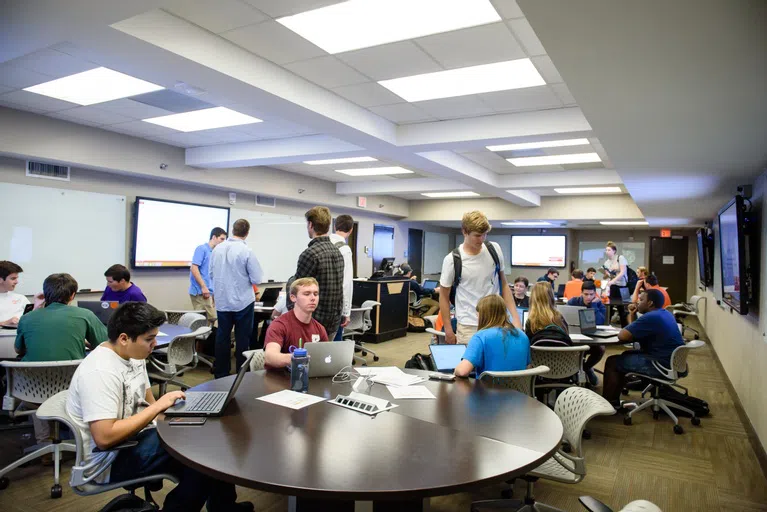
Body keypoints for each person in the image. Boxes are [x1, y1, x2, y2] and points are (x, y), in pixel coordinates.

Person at [66, 302, 252, 511]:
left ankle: (224, 506)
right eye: (149, 339)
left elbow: (149, 404)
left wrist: (176, 416)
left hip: (139, 434)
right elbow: (104, 438)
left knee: (211, 438)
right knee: (203, 457)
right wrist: (159, 409)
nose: (154, 344)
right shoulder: (100, 372)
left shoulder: (133, 355)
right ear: (124, 338)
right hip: (110, 460)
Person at [15, 273, 108, 449]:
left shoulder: (27, 318)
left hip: (30, 391)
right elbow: (104, 345)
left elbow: (19, 349)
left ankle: (44, 445)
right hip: (70, 389)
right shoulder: (84, 315)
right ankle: (84, 441)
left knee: (38, 380)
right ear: (72, 295)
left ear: (45, 293)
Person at [439, 211, 520, 345]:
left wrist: (516, 319)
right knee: (470, 365)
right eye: (477, 235)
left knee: (496, 365)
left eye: (485, 234)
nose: (481, 239)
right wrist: (448, 329)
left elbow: (504, 285)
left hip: (497, 322)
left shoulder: (494, 249)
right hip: (468, 325)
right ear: (464, 232)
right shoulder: (452, 260)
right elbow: (443, 296)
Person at [602, 289, 684, 406]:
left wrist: (631, 317)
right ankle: (614, 400)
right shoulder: (665, 313)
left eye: (641, 300)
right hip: (672, 362)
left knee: (612, 362)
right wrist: (632, 314)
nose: (637, 303)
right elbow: (633, 331)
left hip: (660, 364)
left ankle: (608, 404)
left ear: (650, 303)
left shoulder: (651, 317)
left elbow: (623, 336)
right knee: (625, 355)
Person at [210, 219, 264, 378]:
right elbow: (257, 279)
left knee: (222, 338)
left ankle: (221, 374)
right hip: (243, 302)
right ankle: (242, 374)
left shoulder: (217, 249)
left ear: (232, 230)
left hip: (222, 301)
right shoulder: (247, 251)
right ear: (247, 233)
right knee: (242, 340)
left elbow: (211, 274)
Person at [289, 206, 344, 339]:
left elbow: (299, 289)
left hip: (313, 321)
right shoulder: (338, 252)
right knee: (324, 358)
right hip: (333, 321)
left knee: (307, 358)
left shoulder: (310, 254)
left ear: (310, 225)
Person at [454, 295, 530, 378]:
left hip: (488, 390)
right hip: (518, 390)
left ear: (483, 316)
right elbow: (528, 367)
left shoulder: (481, 337)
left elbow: (462, 371)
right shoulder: (523, 336)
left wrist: (455, 369)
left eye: (478, 316)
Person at [264, 277, 328, 370]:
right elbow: (270, 357)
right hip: (279, 379)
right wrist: (297, 358)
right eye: (306, 294)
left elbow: (327, 357)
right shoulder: (279, 325)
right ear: (293, 297)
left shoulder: (320, 328)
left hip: (309, 377)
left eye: (316, 294)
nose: (313, 298)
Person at [566, 281, 607, 384]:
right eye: (586, 294)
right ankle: (575, 371)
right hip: (573, 336)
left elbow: (599, 322)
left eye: (591, 294)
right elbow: (563, 318)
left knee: (600, 349)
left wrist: (594, 306)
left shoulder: (598, 305)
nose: (588, 297)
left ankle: (585, 368)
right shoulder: (573, 302)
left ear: (595, 294)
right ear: (581, 293)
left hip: (592, 337)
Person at [189, 227, 227, 324]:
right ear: (214, 237)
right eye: (221, 239)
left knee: (210, 321)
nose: (223, 242)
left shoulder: (215, 252)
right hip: (200, 292)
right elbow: (194, 268)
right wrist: (203, 287)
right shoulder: (202, 249)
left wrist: (214, 294)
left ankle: (207, 339)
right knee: (206, 320)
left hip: (209, 292)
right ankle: (200, 339)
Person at [329, 214, 354, 340]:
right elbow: (346, 284)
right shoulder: (344, 249)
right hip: (335, 307)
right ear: (351, 230)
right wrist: (346, 312)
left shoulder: (323, 244)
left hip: (318, 304)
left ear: (334, 226)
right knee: (335, 345)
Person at [601, 242, 629, 327]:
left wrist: (613, 281)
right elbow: (607, 276)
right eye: (606, 250)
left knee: (622, 309)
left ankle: (625, 328)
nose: (607, 251)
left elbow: (622, 272)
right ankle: (607, 326)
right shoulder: (606, 262)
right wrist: (605, 273)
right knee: (610, 307)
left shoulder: (620, 258)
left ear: (614, 251)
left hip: (622, 286)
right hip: (613, 286)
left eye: (609, 250)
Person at [0, 260, 30, 327]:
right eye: (13, 278)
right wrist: (5, 323)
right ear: (0, 280)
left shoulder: (21, 298)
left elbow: (33, 317)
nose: (16, 282)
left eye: (16, 278)